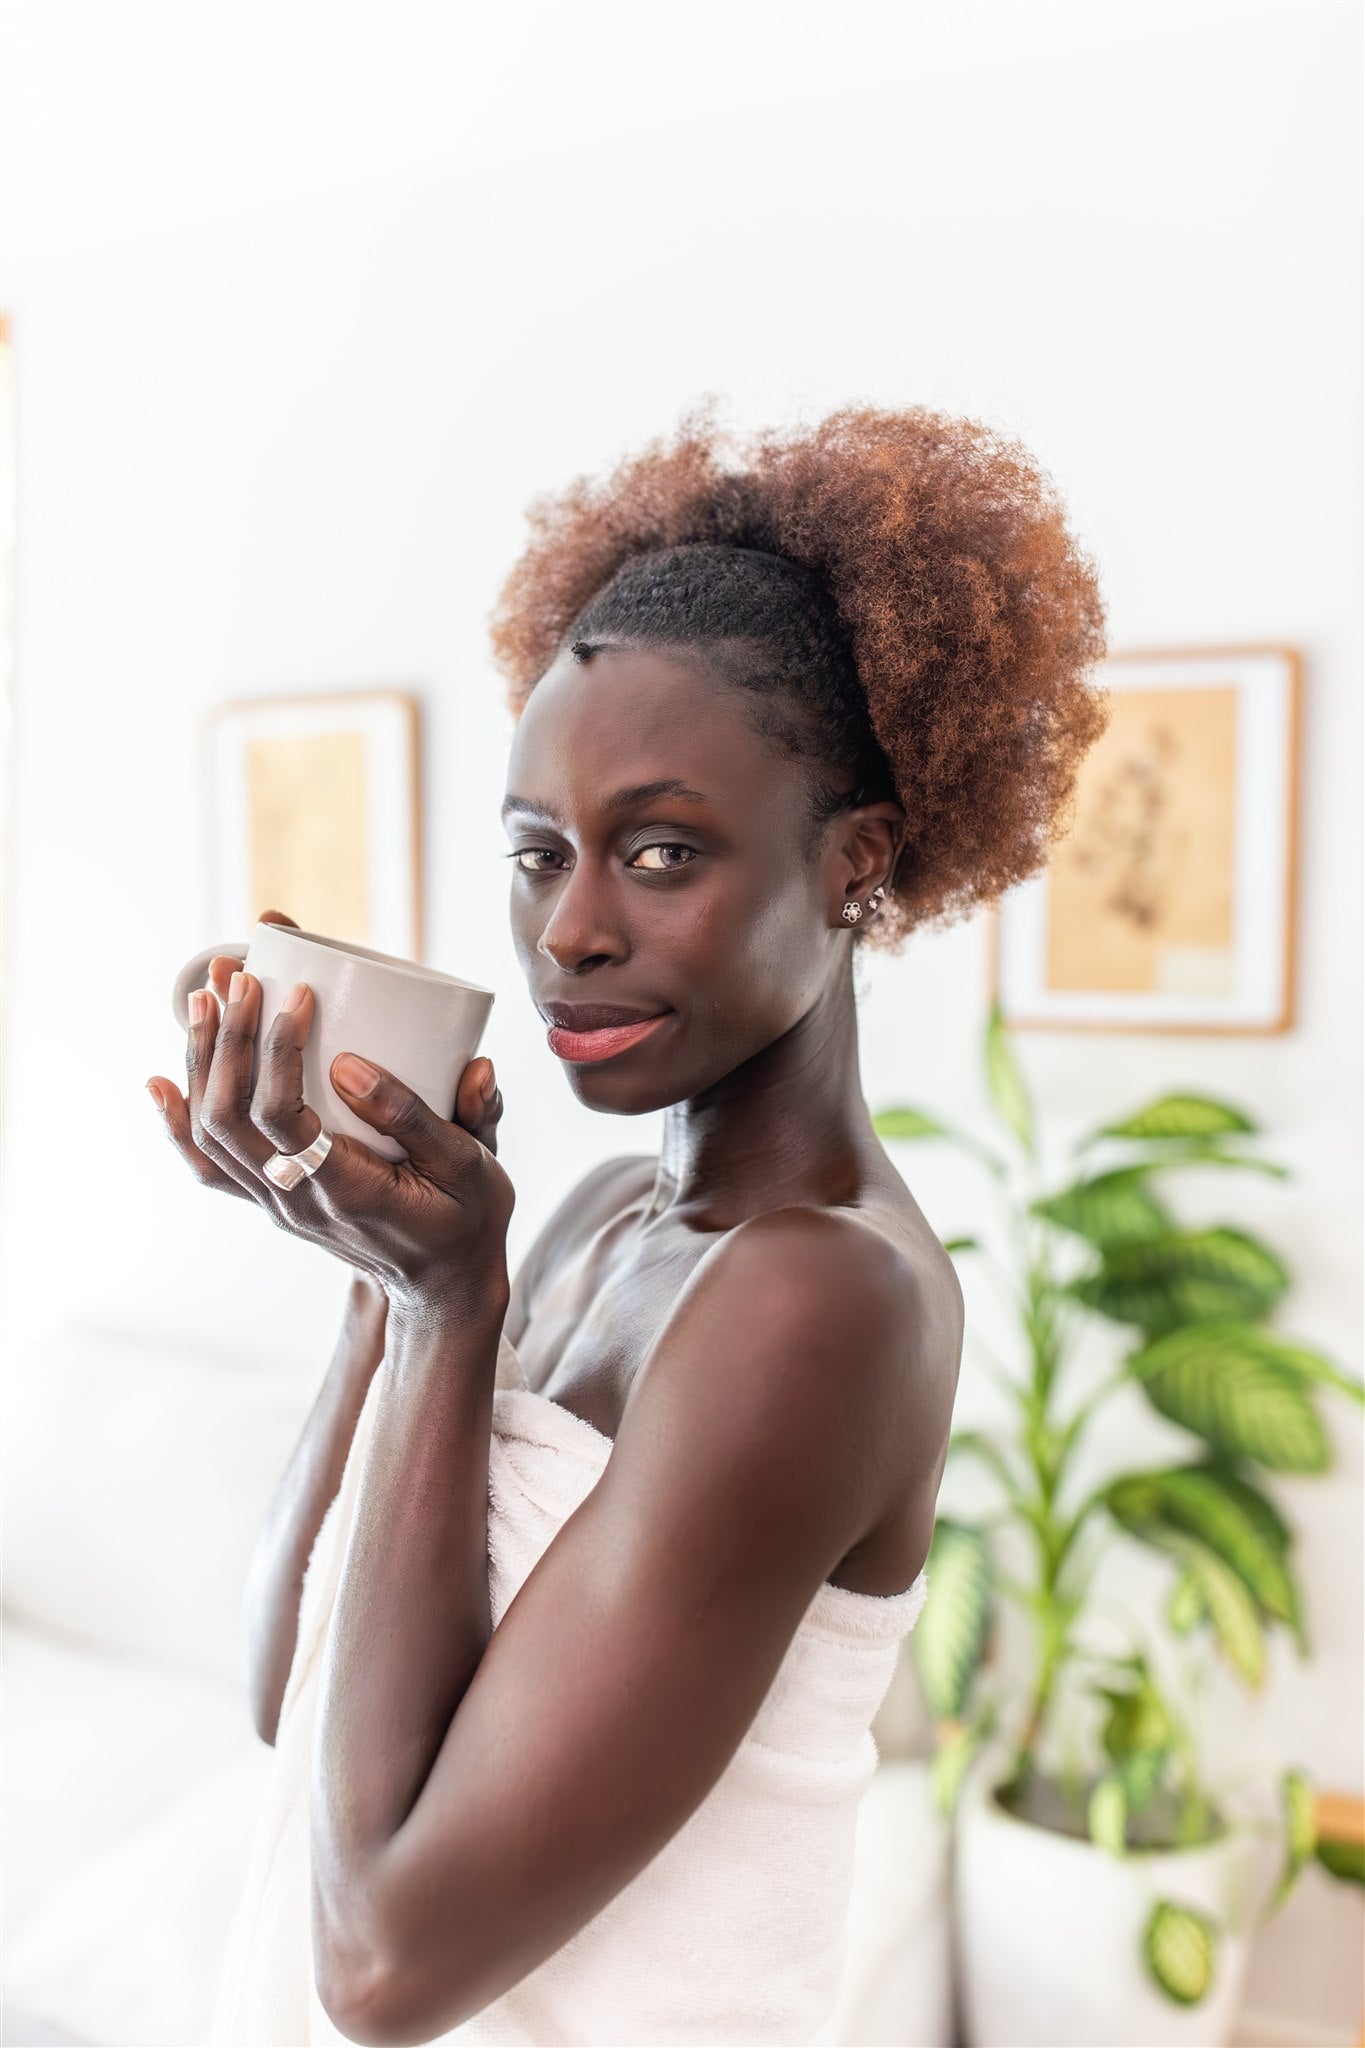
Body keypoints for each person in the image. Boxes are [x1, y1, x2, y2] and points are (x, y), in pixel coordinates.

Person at [146, 398, 1107, 2045]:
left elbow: (383, 1964)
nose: (568, 933)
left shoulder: (821, 1299)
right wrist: (375, 1271)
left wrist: (448, 1307)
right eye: (539, 856)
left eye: (661, 852)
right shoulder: (595, 1218)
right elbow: (285, 1690)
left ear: (854, 862)